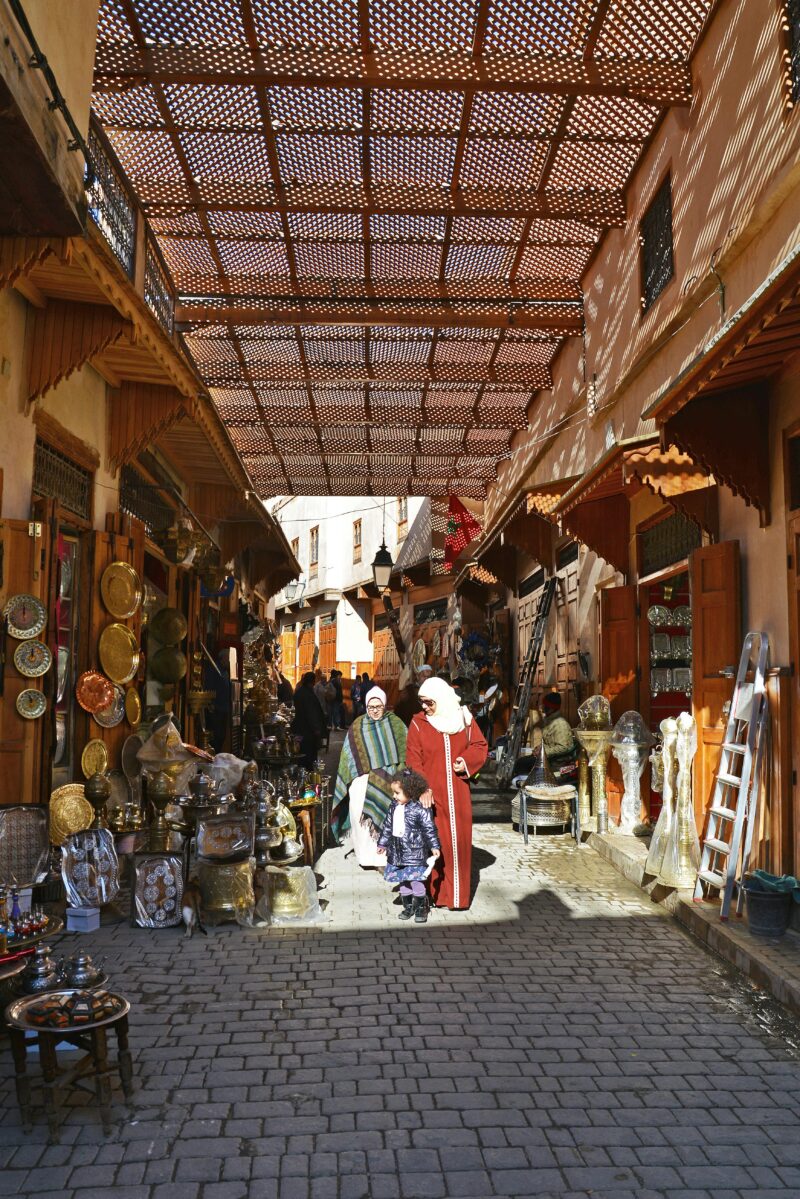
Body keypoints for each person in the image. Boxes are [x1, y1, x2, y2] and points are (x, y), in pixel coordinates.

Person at [406, 677, 488, 911]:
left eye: (429, 702)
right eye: (422, 702)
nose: (425, 707)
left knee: (458, 844)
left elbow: (480, 746)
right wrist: (422, 788)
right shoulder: (419, 723)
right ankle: (433, 894)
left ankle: (457, 898)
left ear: (441, 699)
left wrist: (466, 761)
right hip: (430, 796)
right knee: (434, 844)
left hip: (459, 794)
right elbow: (413, 759)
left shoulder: (463, 719)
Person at [331, 686, 407, 868]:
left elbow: (406, 751)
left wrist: (400, 775)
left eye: (378, 706)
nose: (374, 710)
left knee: (393, 813)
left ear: (384, 705)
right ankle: (365, 856)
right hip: (363, 778)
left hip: (392, 778)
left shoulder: (396, 724)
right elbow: (348, 757)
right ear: (366, 706)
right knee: (359, 809)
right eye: (371, 707)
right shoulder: (358, 726)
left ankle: (385, 857)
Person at [377, 768, 441, 923]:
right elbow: (387, 826)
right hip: (397, 852)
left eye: (397, 793)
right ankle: (408, 907)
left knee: (416, 881)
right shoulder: (394, 805)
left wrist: (434, 846)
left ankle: (421, 907)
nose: (394, 796)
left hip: (415, 853)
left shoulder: (421, 808)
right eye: (394, 793)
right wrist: (382, 843)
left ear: (410, 791)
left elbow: (429, 828)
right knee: (403, 881)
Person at [539, 691, 578, 781]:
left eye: (545, 705)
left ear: (551, 708)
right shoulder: (549, 721)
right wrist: (540, 748)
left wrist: (543, 751)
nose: (542, 707)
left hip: (558, 764)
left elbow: (564, 747)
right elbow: (549, 743)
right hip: (549, 760)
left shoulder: (560, 724)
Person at [292, 672, 327, 767]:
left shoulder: (299, 692)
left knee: (301, 754)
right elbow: (311, 713)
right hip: (308, 730)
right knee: (309, 755)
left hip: (299, 727)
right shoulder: (308, 694)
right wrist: (316, 729)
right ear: (312, 682)